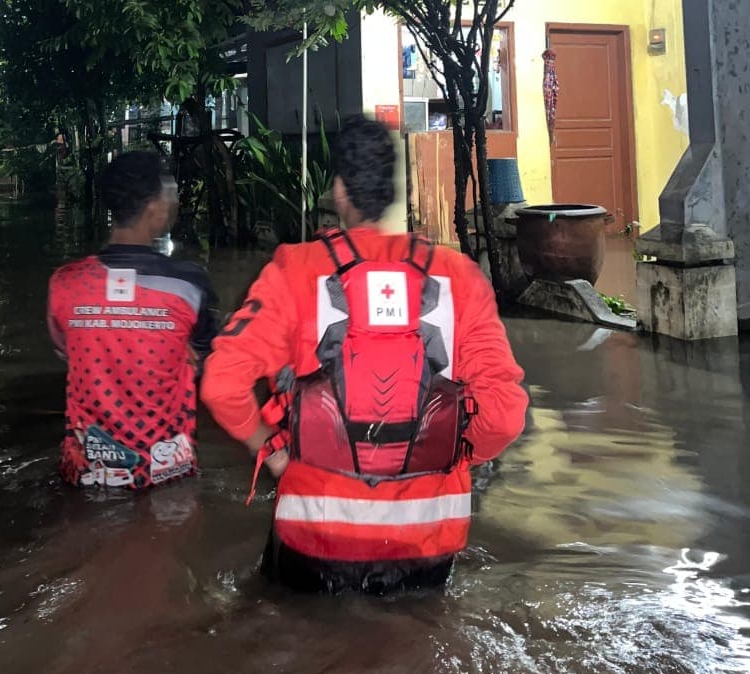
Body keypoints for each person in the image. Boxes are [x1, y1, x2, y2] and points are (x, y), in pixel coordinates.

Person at [200, 115, 528, 594]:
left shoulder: (295, 270)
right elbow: (504, 417)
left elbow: (220, 383)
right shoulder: (459, 275)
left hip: (315, 536)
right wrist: (449, 456)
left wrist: (272, 454)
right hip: (429, 543)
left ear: (338, 190)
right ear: (393, 191)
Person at [48, 151, 218, 490]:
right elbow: (205, 362)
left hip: (85, 474)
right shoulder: (189, 285)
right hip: (163, 475)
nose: (176, 200)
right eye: (170, 192)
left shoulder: (65, 284)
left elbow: (68, 351)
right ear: (154, 208)